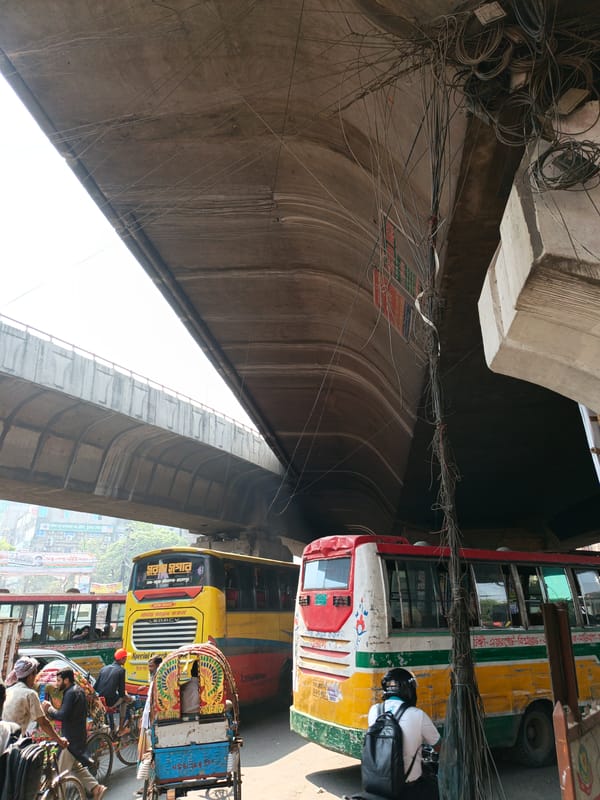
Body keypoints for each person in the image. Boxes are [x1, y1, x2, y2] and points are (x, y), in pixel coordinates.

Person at [366, 668, 440, 800]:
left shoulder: (374, 711)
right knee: (434, 787)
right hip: (408, 789)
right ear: (409, 690)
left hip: (376, 785)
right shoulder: (417, 715)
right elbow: (438, 745)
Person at [42, 668, 107, 800]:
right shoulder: (78, 690)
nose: (57, 683)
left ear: (66, 680)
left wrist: (49, 708)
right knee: (76, 767)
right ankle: (96, 788)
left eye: (59, 680)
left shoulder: (71, 693)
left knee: (61, 774)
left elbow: (62, 715)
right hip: (78, 735)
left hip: (70, 739)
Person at [1, 656, 67, 749]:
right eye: (35, 674)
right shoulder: (30, 694)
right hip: (13, 743)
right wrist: (60, 740)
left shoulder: (9, 690)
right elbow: (43, 723)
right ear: (31, 675)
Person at [94, 647, 133, 736]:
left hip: (101, 700)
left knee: (115, 697)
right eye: (125, 658)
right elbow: (122, 693)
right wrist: (128, 698)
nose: (126, 660)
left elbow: (95, 687)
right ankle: (121, 729)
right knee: (124, 701)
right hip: (110, 701)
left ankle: (112, 727)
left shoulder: (104, 668)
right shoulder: (121, 670)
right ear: (122, 659)